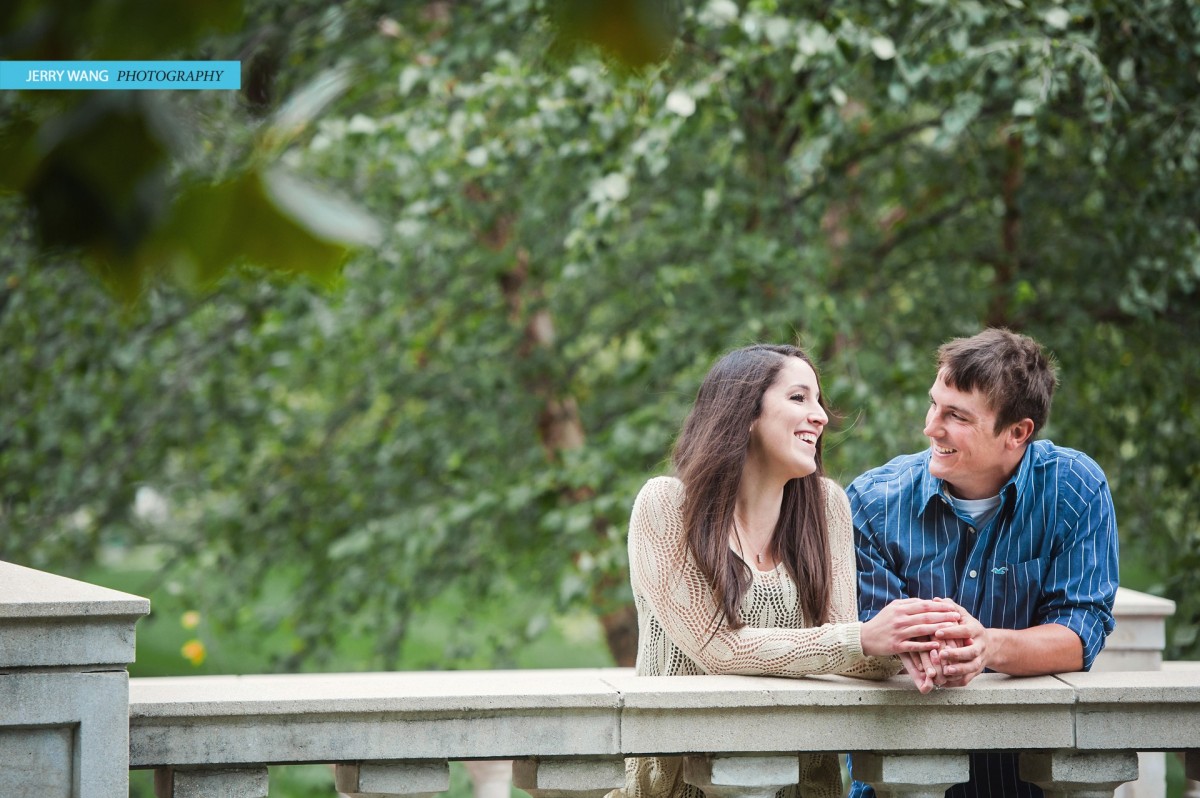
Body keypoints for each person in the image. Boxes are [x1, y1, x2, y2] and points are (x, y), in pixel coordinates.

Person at [622, 344, 965, 798]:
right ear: (744, 413)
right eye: (799, 398)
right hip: (682, 789)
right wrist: (862, 638)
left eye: (819, 400)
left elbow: (844, 650)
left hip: (802, 786)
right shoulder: (667, 507)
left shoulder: (827, 508)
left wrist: (912, 643)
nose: (821, 415)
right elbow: (718, 649)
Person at [847, 328, 1119, 798]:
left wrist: (986, 647)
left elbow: (1081, 632)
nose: (932, 427)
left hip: (1028, 783)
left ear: (1018, 433)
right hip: (902, 778)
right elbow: (872, 642)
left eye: (956, 416)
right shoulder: (872, 502)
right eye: (934, 404)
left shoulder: (1076, 489)